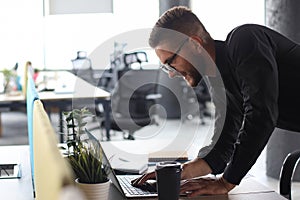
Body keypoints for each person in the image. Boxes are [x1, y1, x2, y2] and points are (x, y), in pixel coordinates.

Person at [132, 6, 300, 197]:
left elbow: (262, 115)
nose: (171, 73)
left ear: (194, 44)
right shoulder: (220, 83)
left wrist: (226, 182)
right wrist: (176, 174)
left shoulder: (245, 40)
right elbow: (223, 145)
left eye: (171, 62)